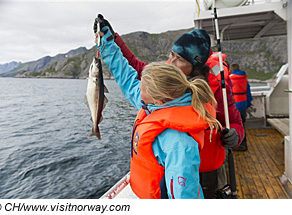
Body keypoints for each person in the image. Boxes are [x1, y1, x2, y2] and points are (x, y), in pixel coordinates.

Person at [94, 14, 244, 198]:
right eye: (171, 55)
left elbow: (235, 121)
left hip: (205, 171)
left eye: (179, 59)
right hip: (167, 168)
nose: (171, 62)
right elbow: (130, 72)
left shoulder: (215, 92)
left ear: (194, 66)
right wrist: (111, 40)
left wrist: (235, 135)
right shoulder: (160, 88)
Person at [230, 63, 252, 151]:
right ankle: (243, 144)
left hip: (234, 104)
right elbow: (248, 93)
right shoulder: (244, 79)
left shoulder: (230, 79)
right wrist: (248, 103)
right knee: (242, 124)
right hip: (243, 103)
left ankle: (236, 145)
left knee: (234, 125)